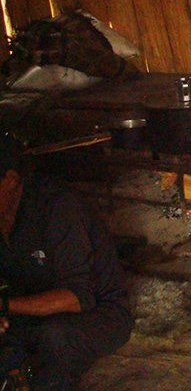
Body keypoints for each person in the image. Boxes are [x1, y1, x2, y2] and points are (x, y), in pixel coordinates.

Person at [0, 135, 133, 390]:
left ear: (11, 180)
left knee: (55, 339)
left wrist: (6, 306)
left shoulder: (58, 207)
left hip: (99, 314)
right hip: (30, 313)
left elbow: (77, 298)